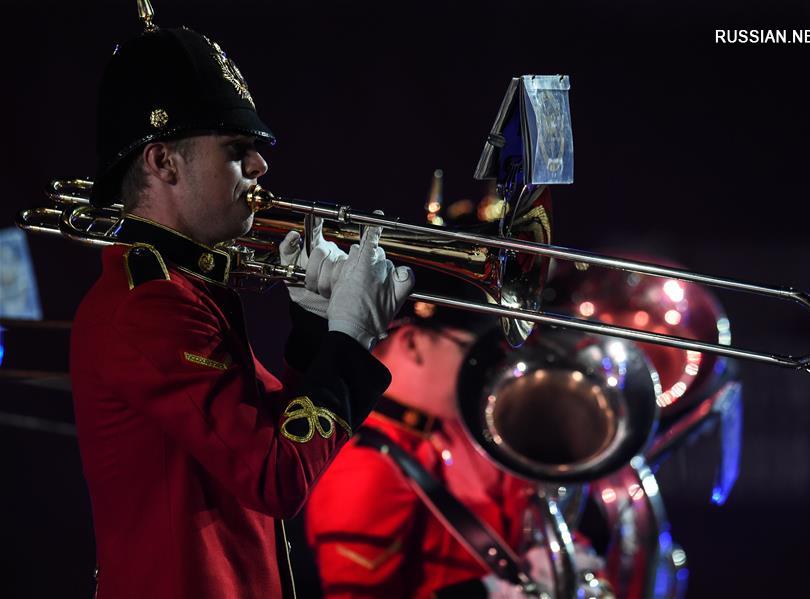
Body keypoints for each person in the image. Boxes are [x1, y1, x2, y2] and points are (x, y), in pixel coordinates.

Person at [69, 23, 413, 599]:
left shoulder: (183, 289)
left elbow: (253, 437)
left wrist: (314, 329)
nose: (260, 166)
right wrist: (351, 341)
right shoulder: (148, 304)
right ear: (164, 163)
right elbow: (274, 475)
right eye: (236, 150)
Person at [303, 269, 539, 598]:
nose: (486, 371)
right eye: (472, 353)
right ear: (413, 343)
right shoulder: (363, 467)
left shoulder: (450, 433)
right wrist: (480, 594)